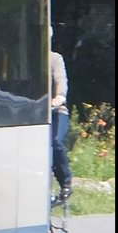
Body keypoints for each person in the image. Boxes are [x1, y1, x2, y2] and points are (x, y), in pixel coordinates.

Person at [50, 46, 72, 203]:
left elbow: (61, 80)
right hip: (34, 112)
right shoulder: (25, 59)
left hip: (57, 111)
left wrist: (59, 97)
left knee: (55, 141)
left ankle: (66, 182)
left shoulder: (54, 59)